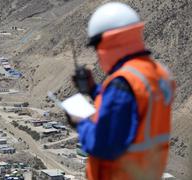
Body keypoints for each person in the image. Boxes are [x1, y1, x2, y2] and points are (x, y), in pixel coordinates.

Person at [71, 2, 176, 180]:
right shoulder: (158, 73)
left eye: (97, 48)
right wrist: (94, 90)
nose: (97, 54)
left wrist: (80, 122)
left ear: (107, 43)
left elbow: (104, 145)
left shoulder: (123, 83)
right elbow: (132, 111)